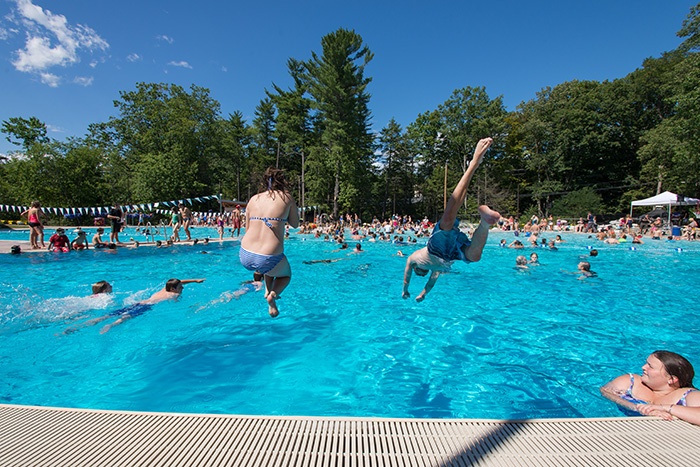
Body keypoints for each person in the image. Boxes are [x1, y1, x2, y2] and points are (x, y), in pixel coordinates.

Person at [402, 138, 500, 302]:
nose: (421, 273)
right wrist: (422, 294)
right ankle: (485, 222)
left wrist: (405, 290)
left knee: (447, 221)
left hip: (435, 248)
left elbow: (407, 275)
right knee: (474, 256)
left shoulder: (414, 259)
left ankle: (473, 165)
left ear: (418, 268)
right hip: (450, 256)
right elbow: (429, 283)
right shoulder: (432, 269)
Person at [239, 167, 300, 317]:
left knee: (270, 267)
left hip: (245, 254)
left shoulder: (254, 199)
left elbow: (247, 228)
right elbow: (295, 224)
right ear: (283, 181)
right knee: (285, 275)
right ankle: (273, 294)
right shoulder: (286, 197)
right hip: (268, 256)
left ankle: (267, 290)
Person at [68, 278, 205, 334]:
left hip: (139, 303)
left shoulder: (164, 290)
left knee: (106, 315)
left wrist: (194, 280)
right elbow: (178, 307)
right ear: (174, 289)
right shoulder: (174, 296)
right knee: (124, 318)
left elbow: (179, 279)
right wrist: (194, 308)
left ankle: (79, 326)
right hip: (146, 307)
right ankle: (110, 326)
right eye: (181, 287)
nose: (183, 288)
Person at [601, 351, 700, 425]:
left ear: (671, 379)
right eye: (646, 363)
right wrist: (636, 408)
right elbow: (605, 391)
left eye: (650, 366)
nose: (643, 367)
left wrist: (665, 408)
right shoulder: (631, 382)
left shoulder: (687, 395)